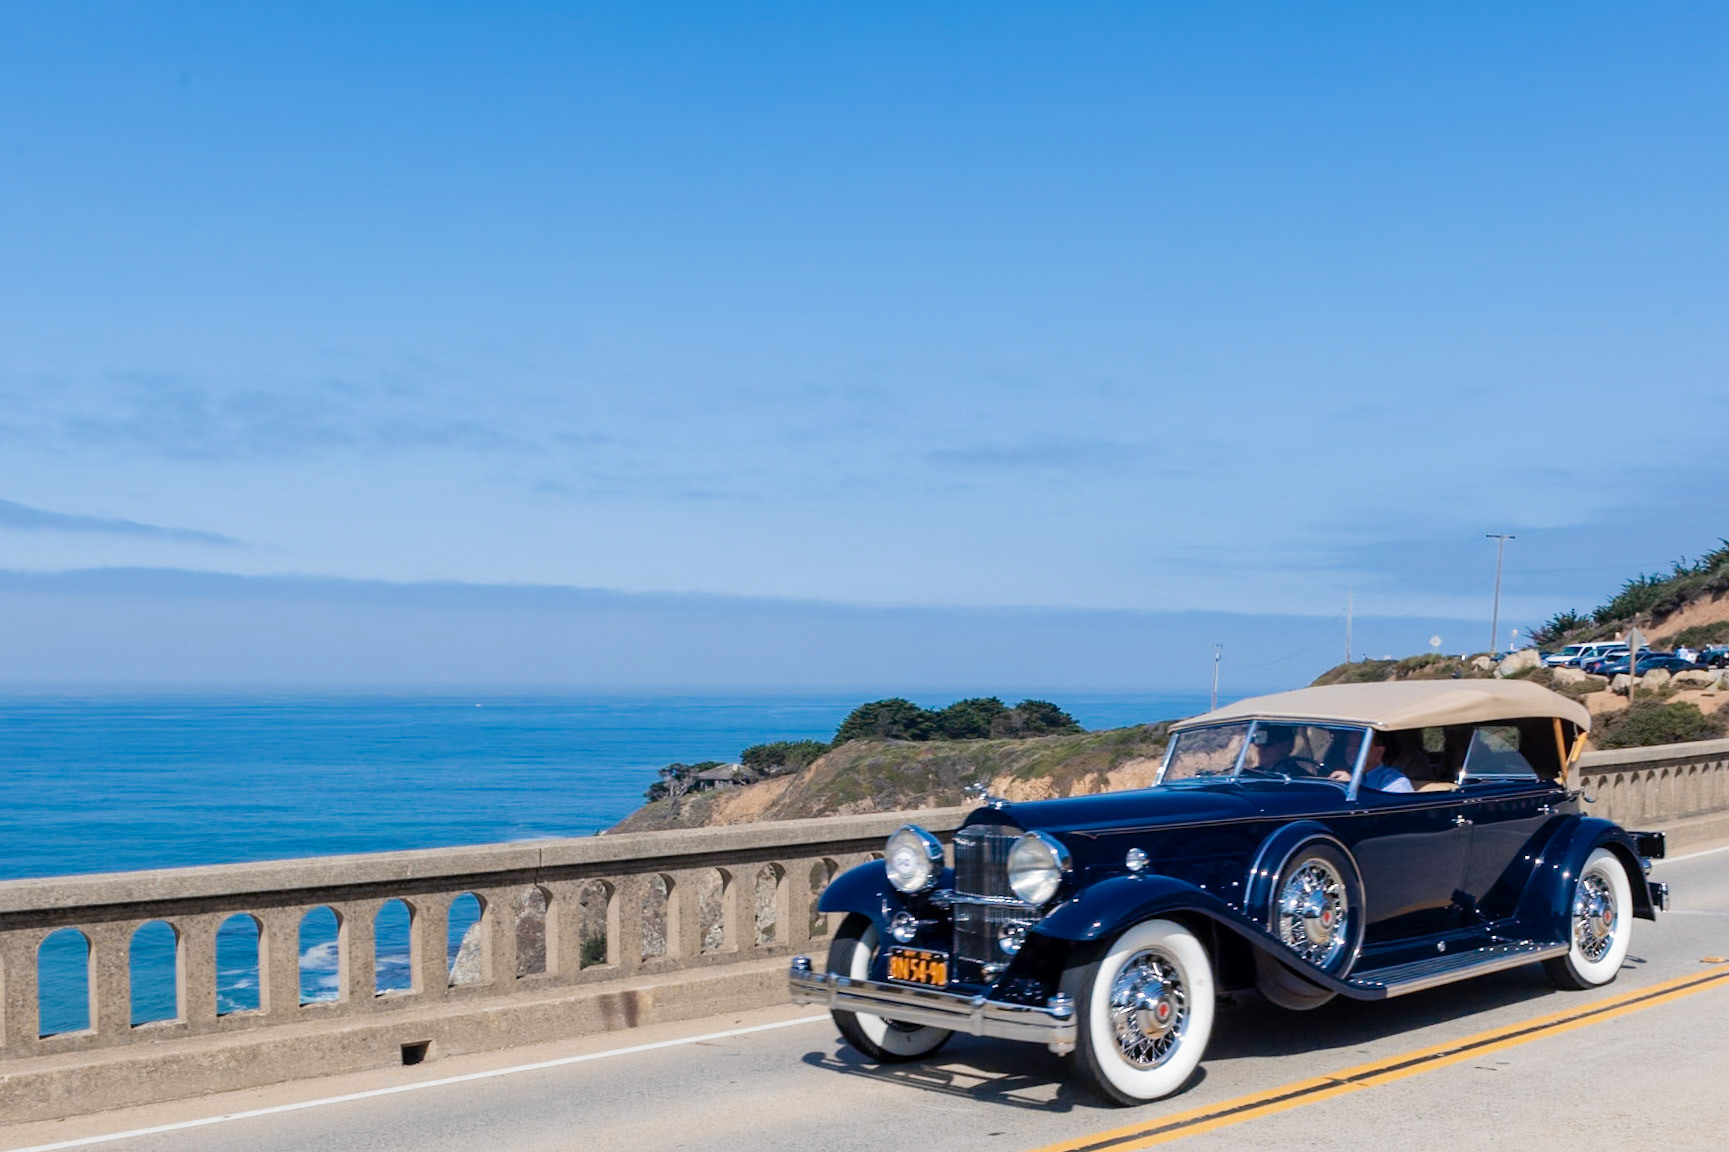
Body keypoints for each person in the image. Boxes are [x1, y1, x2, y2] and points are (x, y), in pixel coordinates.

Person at [1329, 731, 1415, 792]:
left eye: (1359, 745)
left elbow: (1394, 812)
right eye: (1350, 744)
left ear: (1380, 751)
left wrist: (1354, 787)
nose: (1351, 750)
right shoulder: (1347, 775)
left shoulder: (1395, 780)